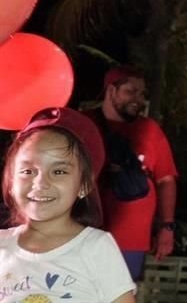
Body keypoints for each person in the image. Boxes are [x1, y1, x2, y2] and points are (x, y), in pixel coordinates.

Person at [0, 106, 136, 302]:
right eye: (28, 171)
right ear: (11, 183)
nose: (40, 182)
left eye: (59, 172)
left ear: (84, 185)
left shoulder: (95, 247)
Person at [84, 65, 178, 282]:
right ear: (111, 91)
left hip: (131, 239)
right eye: (130, 91)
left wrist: (167, 227)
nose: (138, 99)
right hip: (83, 232)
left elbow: (166, 180)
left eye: (141, 93)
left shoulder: (150, 130)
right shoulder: (84, 124)